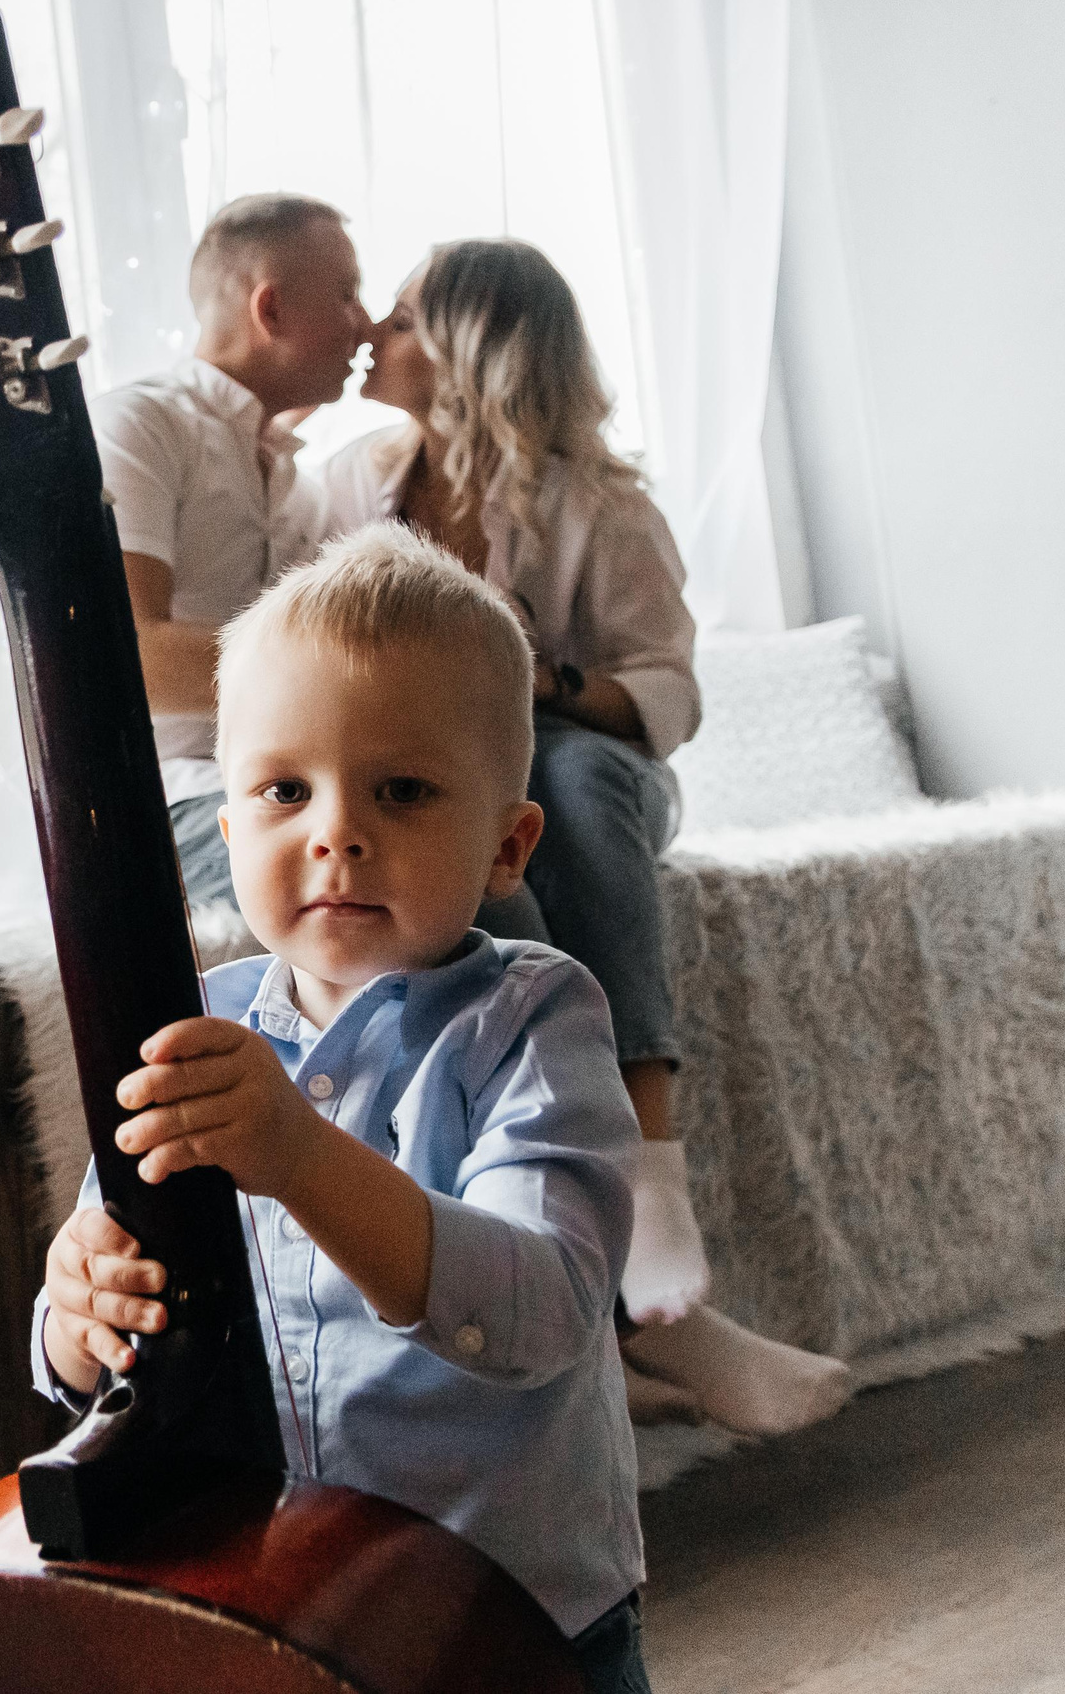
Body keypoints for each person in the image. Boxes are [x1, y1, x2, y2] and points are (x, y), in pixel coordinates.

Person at [36, 528, 649, 1692]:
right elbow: (92, 1340)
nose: (335, 831)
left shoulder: (530, 1020)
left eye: (403, 789)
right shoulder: (188, 1030)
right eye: (282, 790)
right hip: (270, 1609)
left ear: (506, 846)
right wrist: (77, 1310)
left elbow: (543, 1312)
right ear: (228, 835)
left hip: (505, 1614)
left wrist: (299, 1157)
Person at [325, 237, 849, 1436]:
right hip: (446, 785)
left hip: (589, 771)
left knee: (558, 773)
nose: (373, 337)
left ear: (467, 350)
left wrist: (534, 672)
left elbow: (665, 692)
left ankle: (648, 1174)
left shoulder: (600, 505)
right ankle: (622, 1326)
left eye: (401, 319)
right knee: (487, 884)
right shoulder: (355, 486)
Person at [92, 194, 365, 907]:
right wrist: (355, 680)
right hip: (179, 803)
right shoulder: (142, 427)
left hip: (306, 792)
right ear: (270, 310)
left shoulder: (305, 488)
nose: (364, 324)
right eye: (346, 294)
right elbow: (134, 657)